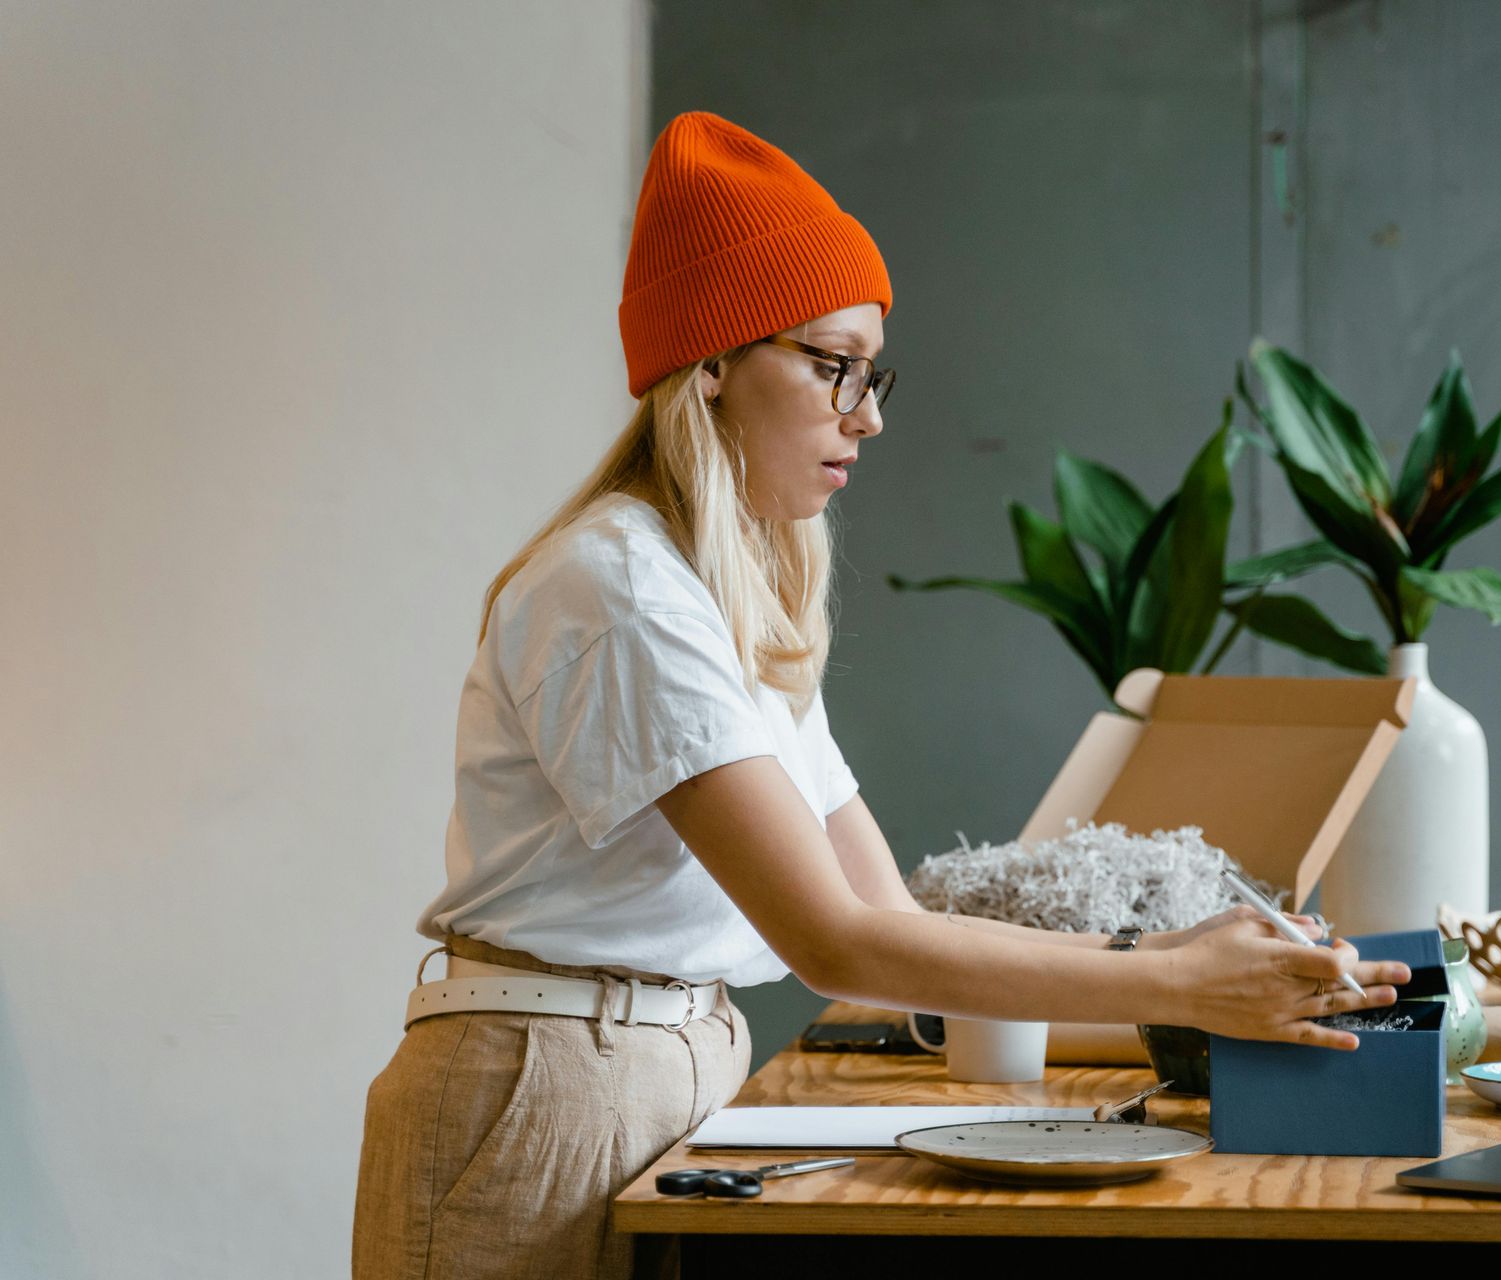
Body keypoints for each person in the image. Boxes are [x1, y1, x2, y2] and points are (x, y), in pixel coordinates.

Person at [349, 108, 1411, 1280]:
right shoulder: (625, 589)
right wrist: (1173, 982)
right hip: (546, 1085)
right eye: (832, 364)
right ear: (709, 363)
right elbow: (835, 940)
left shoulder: (732, 588)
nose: (871, 413)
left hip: (650, 1062)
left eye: (873, 370)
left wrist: (1164, 948)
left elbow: (882, 909)